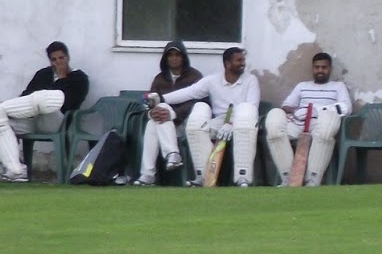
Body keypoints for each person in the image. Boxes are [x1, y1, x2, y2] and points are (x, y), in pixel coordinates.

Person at [0, 40, 90, 182]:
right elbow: (25, 96)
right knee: (0, 121)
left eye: (61, 58)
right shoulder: (43, 74)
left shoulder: (79, 78)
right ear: (50, 61)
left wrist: (61, 79)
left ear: (68, 57)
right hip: (32, 119)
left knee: (44, 97)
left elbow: (70, 103)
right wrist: (32, 104)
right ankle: (16, 170)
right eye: (54, 59)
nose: (58, 62)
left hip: (57, 120)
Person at [160, 46, 262, 186]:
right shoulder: (212, 80)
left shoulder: (250, 80)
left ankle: (242, 176)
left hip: (243, 120)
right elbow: (189, 92)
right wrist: (161, 99)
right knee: (197, 127)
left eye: (243, 60)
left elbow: (252, 106)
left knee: (245, 116)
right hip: (219, 121)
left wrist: (232, 124)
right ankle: (203, 176)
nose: (242, 63)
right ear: (227, 63)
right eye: (238, 60)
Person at [264, 51, 352, 186]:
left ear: (330, 69)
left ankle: (312, 180)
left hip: (321, 123)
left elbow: (346, 108)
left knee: (325, 131)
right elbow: (286, 106)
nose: (320, 70)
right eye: (317, 67)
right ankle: (289, 178)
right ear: (312, 68)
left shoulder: (337, 87)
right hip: (298, 123)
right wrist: (297, 111)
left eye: (324, 67)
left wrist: (318, 110)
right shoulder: (302, 86)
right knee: (275, 129)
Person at [132, 40, 204, 186]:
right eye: (170, 55)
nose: (174, 58)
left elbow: (197, 102)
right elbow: (151, 101)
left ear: (183, 57)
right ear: (165, 58)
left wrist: (173, 114)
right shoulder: (160, 79)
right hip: (164, 125)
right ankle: (170, 156)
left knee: (162, 109)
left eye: (177, 55)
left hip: (186, 123)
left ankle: (149, 172)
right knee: (154, 120)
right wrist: (151, 113)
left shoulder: (194, 76)